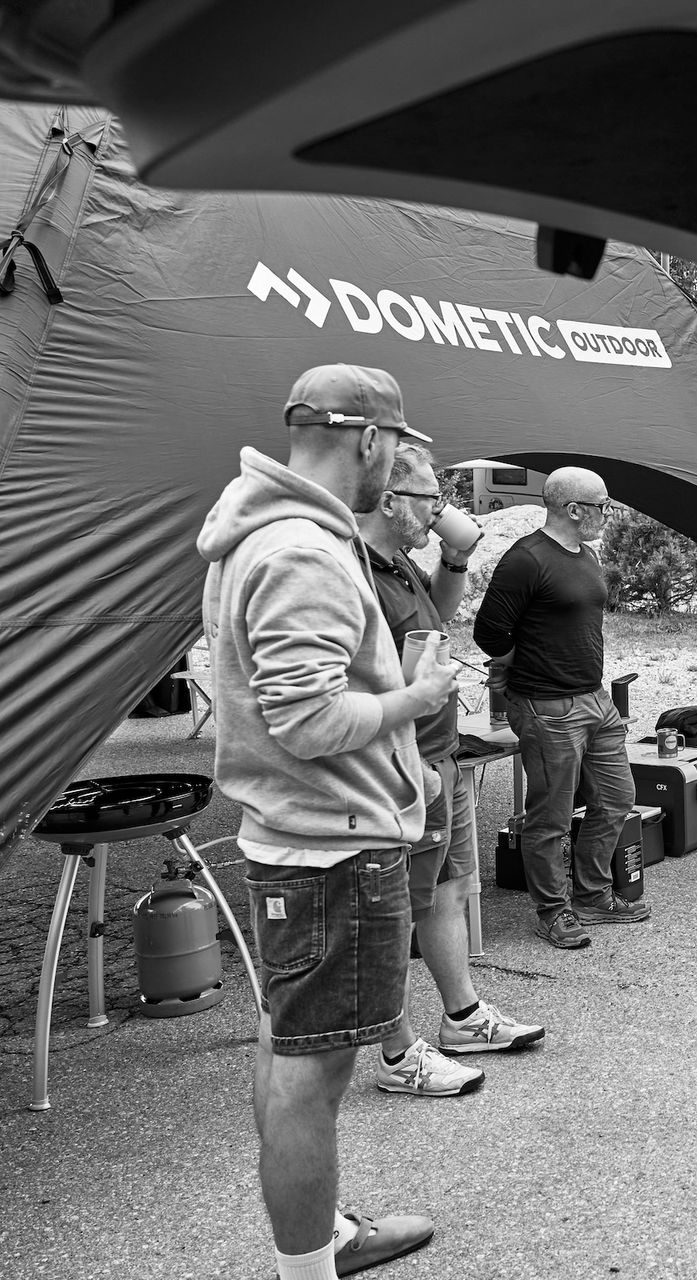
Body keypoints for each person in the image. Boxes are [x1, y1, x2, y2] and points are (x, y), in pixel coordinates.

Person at [197, 364, 448, 1279]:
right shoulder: (302, 549)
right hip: (333, 851)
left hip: (297, 837)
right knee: (315, 1075)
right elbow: (306, 720)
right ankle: (307, 1266)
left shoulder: (256, 524)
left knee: (288, 1046)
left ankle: (315, 1240)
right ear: (370, 440)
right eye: (398, 446)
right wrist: (415, 699)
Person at [357, 442, 546, 1096]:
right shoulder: (353, 569)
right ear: (388, 500)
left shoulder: (397, 560)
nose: (440, 510)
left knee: (446, 888)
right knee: (393, 911)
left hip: (439, 752)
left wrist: (457, 557)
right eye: (429, 499)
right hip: (401, 764)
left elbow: (436, 616)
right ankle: (396, 1053)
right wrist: (412, 762)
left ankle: (462, 1018)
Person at [472, 466, 645, 949]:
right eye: (602, 506)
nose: (608, 514)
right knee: (550, 816)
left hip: (595, 700)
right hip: (547, 707)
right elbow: (489, 633)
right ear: (573, 509)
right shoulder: (525, 559)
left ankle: (592, 896)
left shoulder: (586, 554)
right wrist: (519, 665)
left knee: (616, 798)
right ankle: (552, 910)